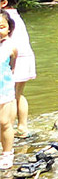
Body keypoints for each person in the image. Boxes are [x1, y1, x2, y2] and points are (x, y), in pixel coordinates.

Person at [0, 0, 36, 138]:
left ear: (3, 2)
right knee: (17, 94)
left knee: (11, 95)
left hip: (16, 60)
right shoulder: (14, 16)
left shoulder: (6, 19)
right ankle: (22, 127)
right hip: (24, 58)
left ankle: (11, 127)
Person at [0, 10, 18, 170]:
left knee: (5, 122)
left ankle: (7, 153)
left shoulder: (10, 46)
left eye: (1, 27)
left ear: (8, 29)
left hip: (3, 89)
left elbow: (12, 65)